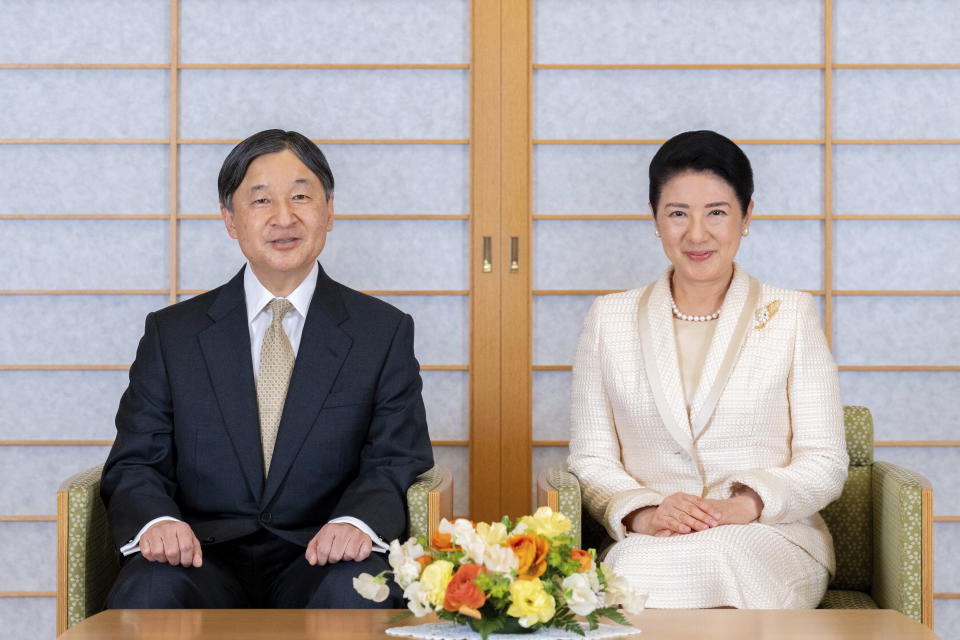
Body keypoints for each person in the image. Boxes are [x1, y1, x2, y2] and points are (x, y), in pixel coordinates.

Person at [101, 129, 434, 609]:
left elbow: (396, 456)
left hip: (326, 554)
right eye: (261, 201)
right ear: (230, 219)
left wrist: (356, 522)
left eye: (301, 196)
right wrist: (157, 523)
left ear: (329, 211)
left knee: (362, 594)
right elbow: (136, 460)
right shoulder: (172, 335)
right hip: (200, 556)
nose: (284, 217)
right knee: (149, 591)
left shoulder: (382, 332)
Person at [567, 130, 848, 609]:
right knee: (625, 571)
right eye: (678, 214)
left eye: (716, 212)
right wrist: (647, 513)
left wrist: (743, 506)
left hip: (770, 536)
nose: (696, 234)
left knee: (719, 559)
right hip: (653, 542)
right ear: (655, 220)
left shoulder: (792, 315)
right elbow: (590, 460)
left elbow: (825, 461)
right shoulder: (608, 320)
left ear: (747, 217)